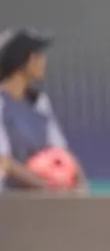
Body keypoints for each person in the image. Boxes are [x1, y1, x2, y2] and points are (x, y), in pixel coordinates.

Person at [0, 28, 85, 194]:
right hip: (9, 201)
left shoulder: (39, 102)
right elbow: (4, 162)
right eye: (36, 56)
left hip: (43, 197)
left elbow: (60, 151)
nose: (43, 61)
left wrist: (80, 185)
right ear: (19, 61)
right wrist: (48, 188)